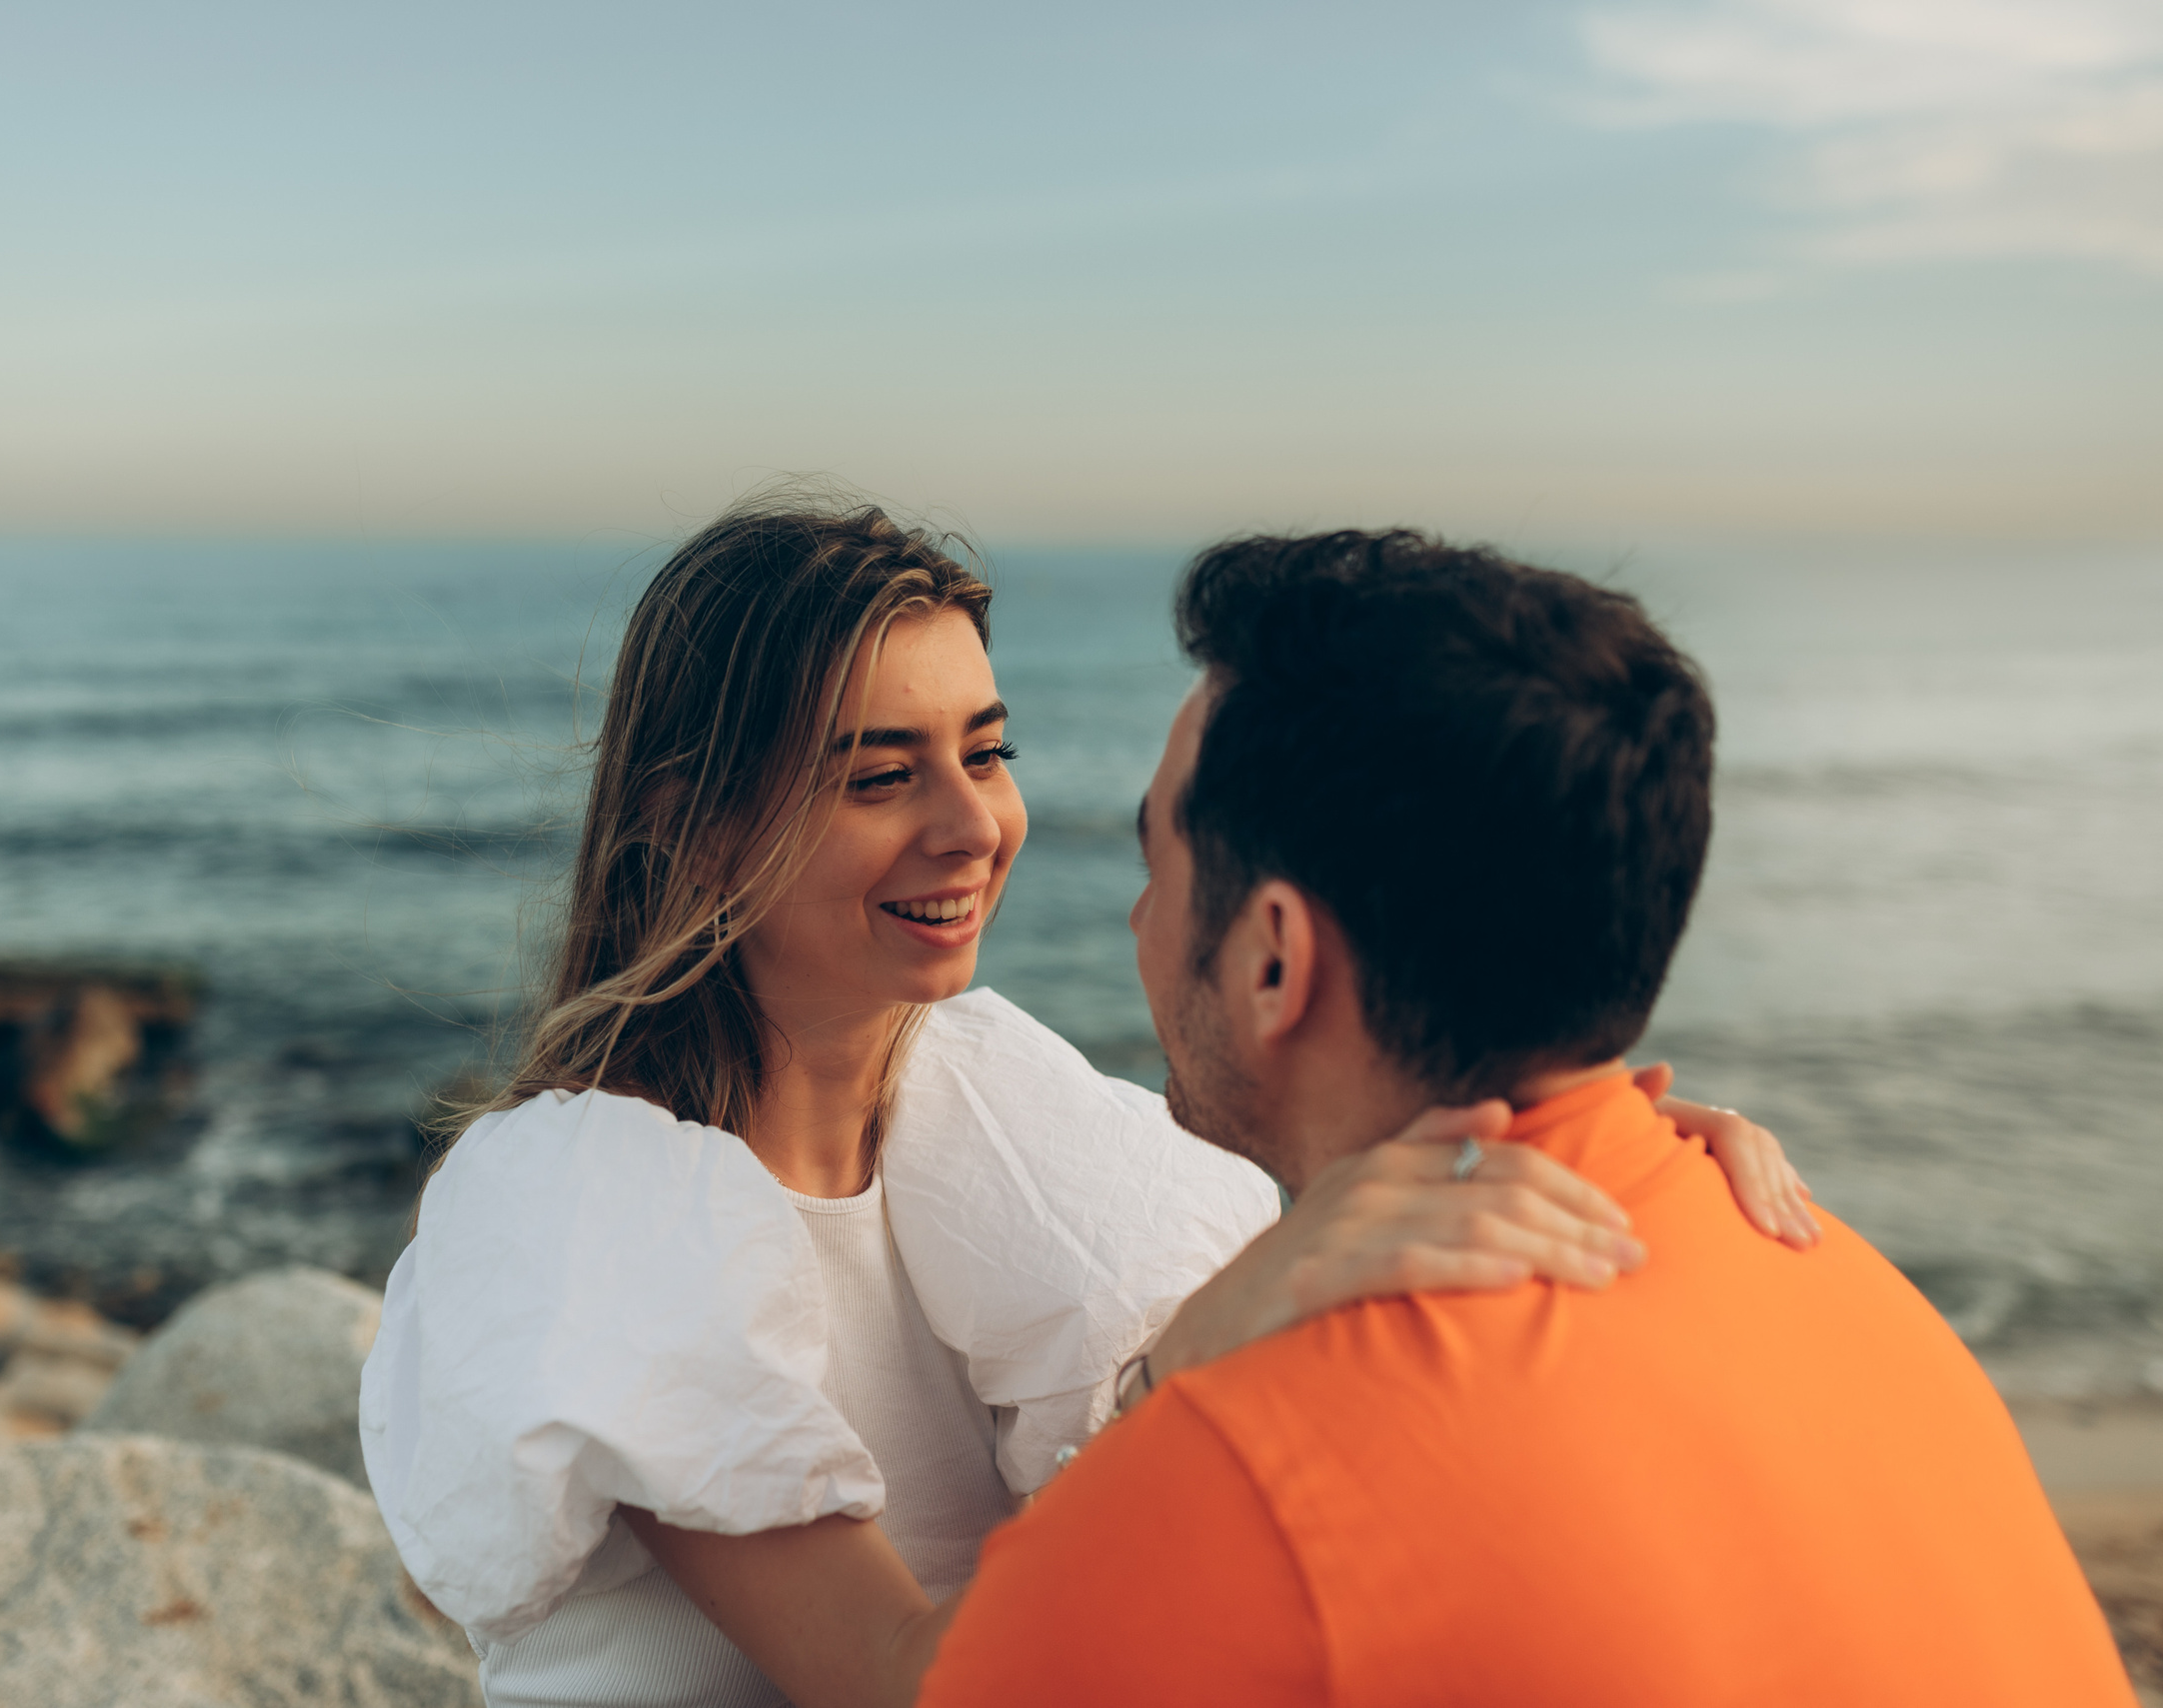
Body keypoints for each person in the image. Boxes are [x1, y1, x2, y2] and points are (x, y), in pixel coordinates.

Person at [361, 500, 1811, 1708]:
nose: (972, 825)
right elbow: (912, 1679)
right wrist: (1217, 1340)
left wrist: (1579, 1156)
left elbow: (1268, 1372)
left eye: (985, 751)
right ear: (685, 813)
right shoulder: (589, 1210)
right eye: (883, 774)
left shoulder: (985, 1093)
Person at [919, 530, 2135, 1706]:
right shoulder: (1835, 1272)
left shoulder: (1226, 1494)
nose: (1135, 924)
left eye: (1155, 870)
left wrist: (1164, 1391)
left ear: (1274, 958)